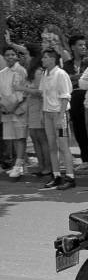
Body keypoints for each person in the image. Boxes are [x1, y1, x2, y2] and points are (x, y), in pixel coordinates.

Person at [39, 49, 75, 189]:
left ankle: (70, 177)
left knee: (63, 146)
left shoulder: (60, 74)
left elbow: (66, 96)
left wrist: (61, 117)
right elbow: (44, 95)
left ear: (52, 59)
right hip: (47, 114)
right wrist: (43, 114)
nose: (42, 60)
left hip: (59, 114)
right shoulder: (45, 74)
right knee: (52, 146)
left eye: (45, 57)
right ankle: (56, 175)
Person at [14, 45, 52, 177]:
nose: (24, 57)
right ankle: (42, 166)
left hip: (39, 108)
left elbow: (41, 92)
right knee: (35, 138)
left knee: (41, 138)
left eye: (27, 55)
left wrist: (22, 89)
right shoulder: (31, 71)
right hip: (31, 108)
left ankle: (48, 167)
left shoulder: (38, 72)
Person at [64, 34, 88, 173]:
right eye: (80, 45)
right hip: (73, 100)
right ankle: (85, 160)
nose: (83, 47)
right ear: (73, 47)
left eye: (84, 45)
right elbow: (66, 81)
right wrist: (80, 78)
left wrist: (75, 79)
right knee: (79, 130)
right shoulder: (67, 64)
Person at [0, 46, 27, 178]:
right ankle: (15, 165)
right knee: (11, 138)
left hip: (19, 109)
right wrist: (4, 107)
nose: (10, 57)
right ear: (4, 57)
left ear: (16, 56)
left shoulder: (21, 70)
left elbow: (23, 92)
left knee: (20, 137)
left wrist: (14, 106)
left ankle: (20, 165)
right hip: (6, 109)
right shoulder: (2, 73)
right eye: (7, 55)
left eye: (12, 54)